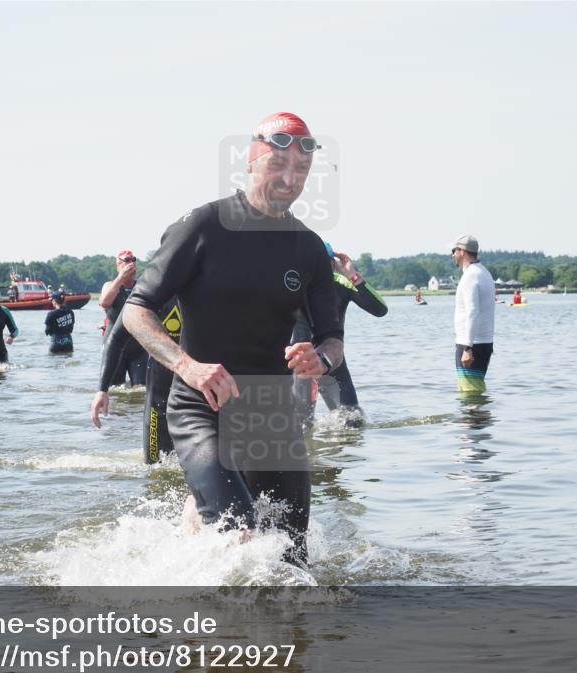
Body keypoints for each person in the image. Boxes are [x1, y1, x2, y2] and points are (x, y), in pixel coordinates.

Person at [123, 112, 343, 566]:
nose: (289, 178)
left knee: (291, 557)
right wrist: (188, 365)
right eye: (277, 164)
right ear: (251, 160)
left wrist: (318, 358)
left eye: (301, 170)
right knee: (241, 530)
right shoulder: (203, 227)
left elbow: (333, 341)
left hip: (272, 417)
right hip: (201, 405)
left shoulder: (308, 248)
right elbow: (135, 311)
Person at [292, 243, 387, 426]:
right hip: (299, 363)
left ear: (333, 264)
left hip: (332, 362)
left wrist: (352, 276)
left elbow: (380, 309)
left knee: (352, 421)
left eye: (324, 262)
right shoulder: (291, 284)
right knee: (301, 427)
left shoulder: (342, 283)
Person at [91, 295, 181, 463]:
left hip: (205, 393)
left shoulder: (211, 286)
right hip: (159, 394)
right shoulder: (153, 289)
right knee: (156, 467)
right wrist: (102, 389)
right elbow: (116, 338)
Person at [451, 234, 496, 394]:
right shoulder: (483, 272)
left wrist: (467, 348)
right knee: (474, 392)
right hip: (482, 342)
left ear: (462, 251)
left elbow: (472, 311)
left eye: (454, 250)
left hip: (472, 344)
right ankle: (480, 418)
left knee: (469, 394)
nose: (452, 255)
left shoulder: (470, 276)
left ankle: (474, 419)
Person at [99, 249, 148, 386]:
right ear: (118, 265)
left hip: (138, 346)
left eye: (133, 260)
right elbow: (104, 302)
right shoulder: (109, 286)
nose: (131, 264)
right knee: (114, 389)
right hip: (114, 345)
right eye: (126, 261)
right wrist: (120, 278)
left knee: (141, 389)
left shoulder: (142, 286)